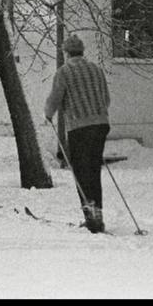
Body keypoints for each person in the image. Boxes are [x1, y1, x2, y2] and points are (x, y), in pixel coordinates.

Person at [44, 34, 111, 234]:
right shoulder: (96, 70)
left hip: (79, 127)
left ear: (66, 53)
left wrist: (48, 114)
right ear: (82, 51)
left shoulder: (64, 72)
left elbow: (55, 97)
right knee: (94, 169)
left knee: (81, 171)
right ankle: (98, 213)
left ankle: (90, 216)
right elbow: (106, 98)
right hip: (100, 124)